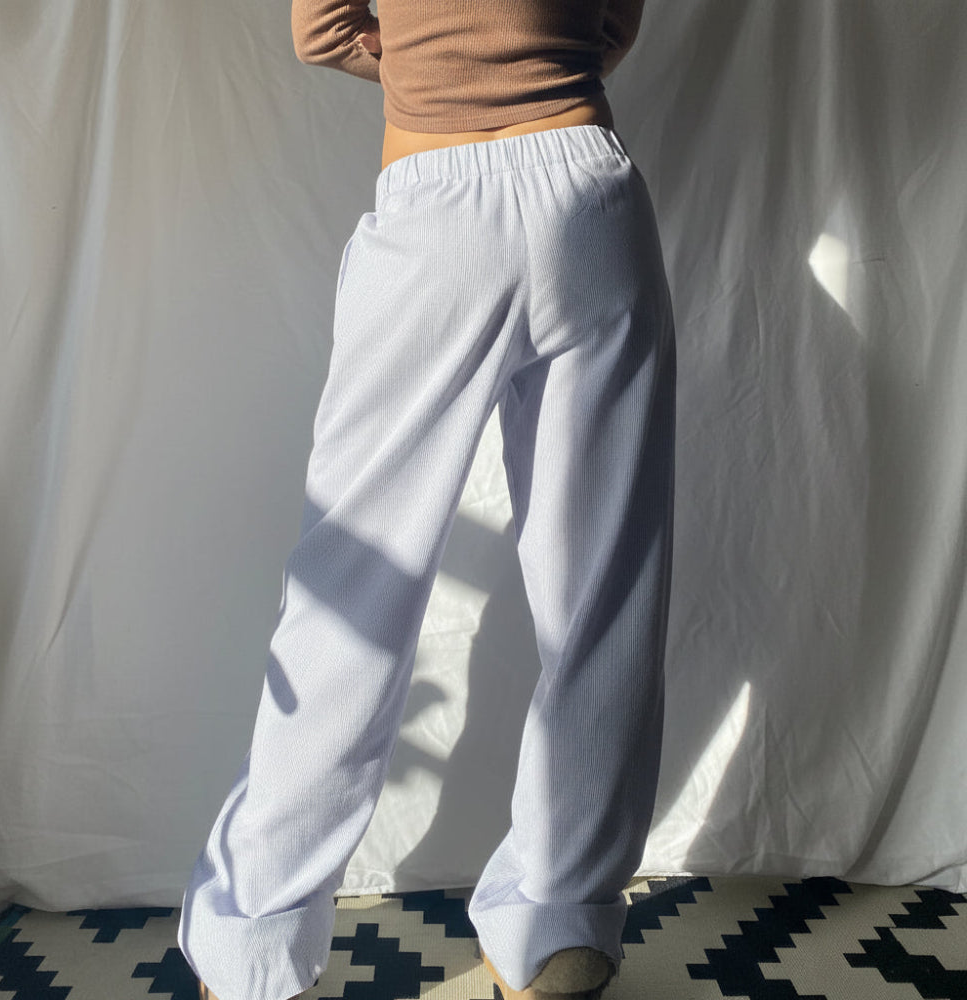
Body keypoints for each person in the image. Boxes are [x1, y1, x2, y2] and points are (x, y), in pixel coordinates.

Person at [178, 1, 676, 998]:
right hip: (589, 191)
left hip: (434, 201)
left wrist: (422, 60)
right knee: (602, 592)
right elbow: (613, 22)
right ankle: (561, 926)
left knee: (352, 588)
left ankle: (253, 941)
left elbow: (321, 29)